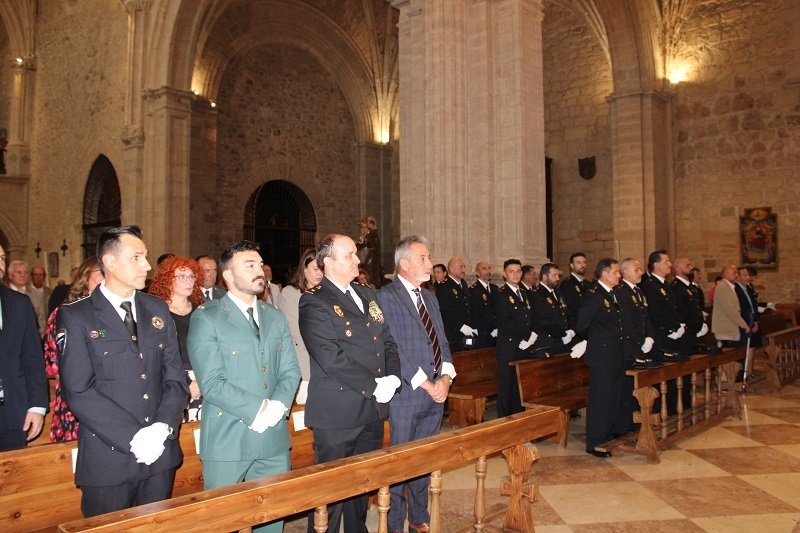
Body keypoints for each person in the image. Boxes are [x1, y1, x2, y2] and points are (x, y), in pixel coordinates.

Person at [57, 226, 188, 517]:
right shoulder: (78, 316)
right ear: (110, 262)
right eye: (137, 257)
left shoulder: (157, 310)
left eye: (146, 257)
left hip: (159, 454)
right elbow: (78, 389)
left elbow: (175, 377)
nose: (147, 265)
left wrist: (161, 427)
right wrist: (133, 437)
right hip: (109, 459)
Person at [188, 241, 300, 533]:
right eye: (248, 265)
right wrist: (257, 410)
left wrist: (277, 406)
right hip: (229, 440)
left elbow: (290, 370)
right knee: (223, 523)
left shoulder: (274, 317)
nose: (259, 270)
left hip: (273, 441)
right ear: (227, 275)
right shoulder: (207, 317)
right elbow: (211, 383)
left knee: (271, 525)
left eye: (260, 263)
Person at [299, 234, 400, 533]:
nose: (358, 260)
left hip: (371, 410)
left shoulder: (367, 294)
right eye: (350, 255)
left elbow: (387, 341)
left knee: (361, 485)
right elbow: (330, 357)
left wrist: (392, 376)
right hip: (338, 413)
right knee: (328, 494)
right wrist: (374, 385)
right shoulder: (314, 300)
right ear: (328, 261)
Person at [376, 235, 456, 533]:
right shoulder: (386, 296)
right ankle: (395, 523)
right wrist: (426, 383)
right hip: (408, 395)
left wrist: (446, 378)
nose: (429, 262)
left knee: (423, 459)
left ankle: (418, 517)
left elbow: (443, 342)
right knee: (400, 461)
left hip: (436, 393)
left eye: (429, 256)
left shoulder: (430, 297)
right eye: (423, 257)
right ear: (404, 263)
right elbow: (393, 347)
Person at [42, 257, 104, 442]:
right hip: (77, 400)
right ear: (85, 277)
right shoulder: (65, 313)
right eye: (100, 272)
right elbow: (54, 362)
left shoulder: (118, 311)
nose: (107, 277)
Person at [0, 244, 48, 451]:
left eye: (1, 258)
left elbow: (33, 359)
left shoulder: (19, 303)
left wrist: (37, 406)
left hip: (11, 414)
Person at [574, 258, 623, 458]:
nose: (619, 275)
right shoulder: (594, 296)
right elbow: (581, 325)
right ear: (605, 274)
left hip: (614, 354)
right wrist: (593, 341)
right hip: (601, 356)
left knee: (612, 397)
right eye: (616, 272)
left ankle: (608, 436)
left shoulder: (612, 294)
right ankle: (595, 442)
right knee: (600, 400)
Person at [149, 256, 205, 422]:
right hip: (172, 379)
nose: (189, 281)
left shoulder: (201, 311)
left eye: (191, 276)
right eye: (182, 276)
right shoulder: (157, 313)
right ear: (168, 280)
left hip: (203, 378)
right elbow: (156, 354)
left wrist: (202, 381)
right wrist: (184, 384)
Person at [492, 259, 536, 417]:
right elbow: (506, 321)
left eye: (518, 271)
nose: (516, 274)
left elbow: (529, 317)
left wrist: (532, 335)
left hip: (524, 346)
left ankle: (518, 419)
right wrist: (526, 337)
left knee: (519, 387)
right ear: (505, 274)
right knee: (507, 387)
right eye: (511, 271)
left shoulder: (524, 293)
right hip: (509, 347)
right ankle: (504, 422)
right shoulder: (500, 293)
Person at [280, 249, 324, 404]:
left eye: (322, 269)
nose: (320, 274)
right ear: (304, 270)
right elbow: (297, 333)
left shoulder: (327, 294)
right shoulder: (291, 293)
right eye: (315, 269)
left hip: (328, 366)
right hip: (305, 365)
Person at [531, 263, 577, 357]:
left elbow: (568, 314)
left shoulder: (558, 293)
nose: (558, 279)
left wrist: (571, 331)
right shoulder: (537, 294)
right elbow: (543, 321)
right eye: (554, 275)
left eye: (558, 275)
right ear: (544, 276)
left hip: (563, 342)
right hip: (549, 343)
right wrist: (563, 334)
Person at [436, 256, 476, 351]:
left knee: (468, 356)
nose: (463, 270)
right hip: (453, 333)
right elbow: (444, 311)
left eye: (464, 267)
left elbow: (468, 307)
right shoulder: (444, 286)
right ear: (451, 268)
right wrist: (460, 326)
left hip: (467, 331)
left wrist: (473, 325)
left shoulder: (463, 284)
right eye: (460, 267)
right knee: (458, 360)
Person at [469, 261, 497, 348]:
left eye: (489, 268)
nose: (488, 271)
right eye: (484, 269)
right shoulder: (473, 290)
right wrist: (487, 331)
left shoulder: (495, 288)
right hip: (483, 335)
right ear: (477, 273)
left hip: (497, 333)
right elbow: (475, 314)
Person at [559, 252, 589, 331]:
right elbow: (569, 309)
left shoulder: (588, 284)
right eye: (578, 262)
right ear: (572, 266)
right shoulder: (567, 284)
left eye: (584, 262)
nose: (582, 265)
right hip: (575, 327)